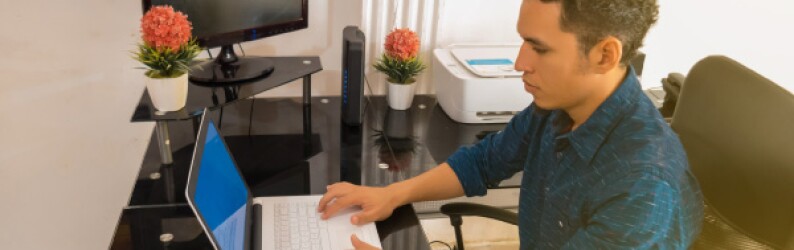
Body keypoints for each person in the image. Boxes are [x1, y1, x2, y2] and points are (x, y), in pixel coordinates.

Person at [319, 0, 704, 248]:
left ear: (604, 55)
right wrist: (393, 194)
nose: (520, 63)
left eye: (539, 47)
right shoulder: (557, 107)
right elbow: (485, 161)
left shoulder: (643, 191)